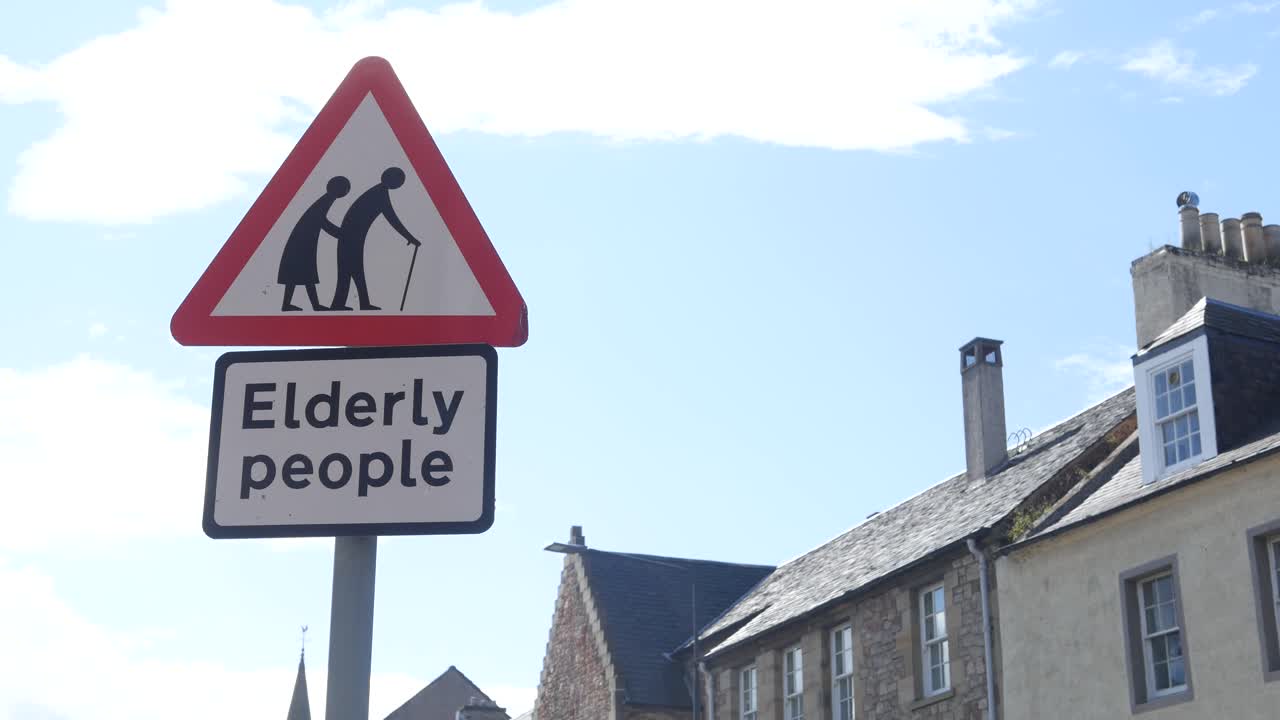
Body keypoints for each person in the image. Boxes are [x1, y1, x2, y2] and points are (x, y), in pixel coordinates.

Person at [330, 166, 421, 311]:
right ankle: (341, 304)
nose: (399, 184)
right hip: (350, 240)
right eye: (398, 181)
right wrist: (410, 237)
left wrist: (410, 237)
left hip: (352, 239)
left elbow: (391, 218)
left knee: (354, 272)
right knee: (349, 272)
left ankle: (353, 303)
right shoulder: (379, 195)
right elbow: (392, 219)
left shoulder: (377, 192)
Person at [277, 175, 350, 311]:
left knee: (302, 274)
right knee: (304, 273)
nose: (346, 192)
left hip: (304, 240)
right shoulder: (326, 200)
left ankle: (296, 305)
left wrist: (338, 233)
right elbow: (321, 221)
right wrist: (340, 234)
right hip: (302, 242)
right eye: (345, 189)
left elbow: (320, 220)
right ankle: (306, 305)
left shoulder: (326, 199)